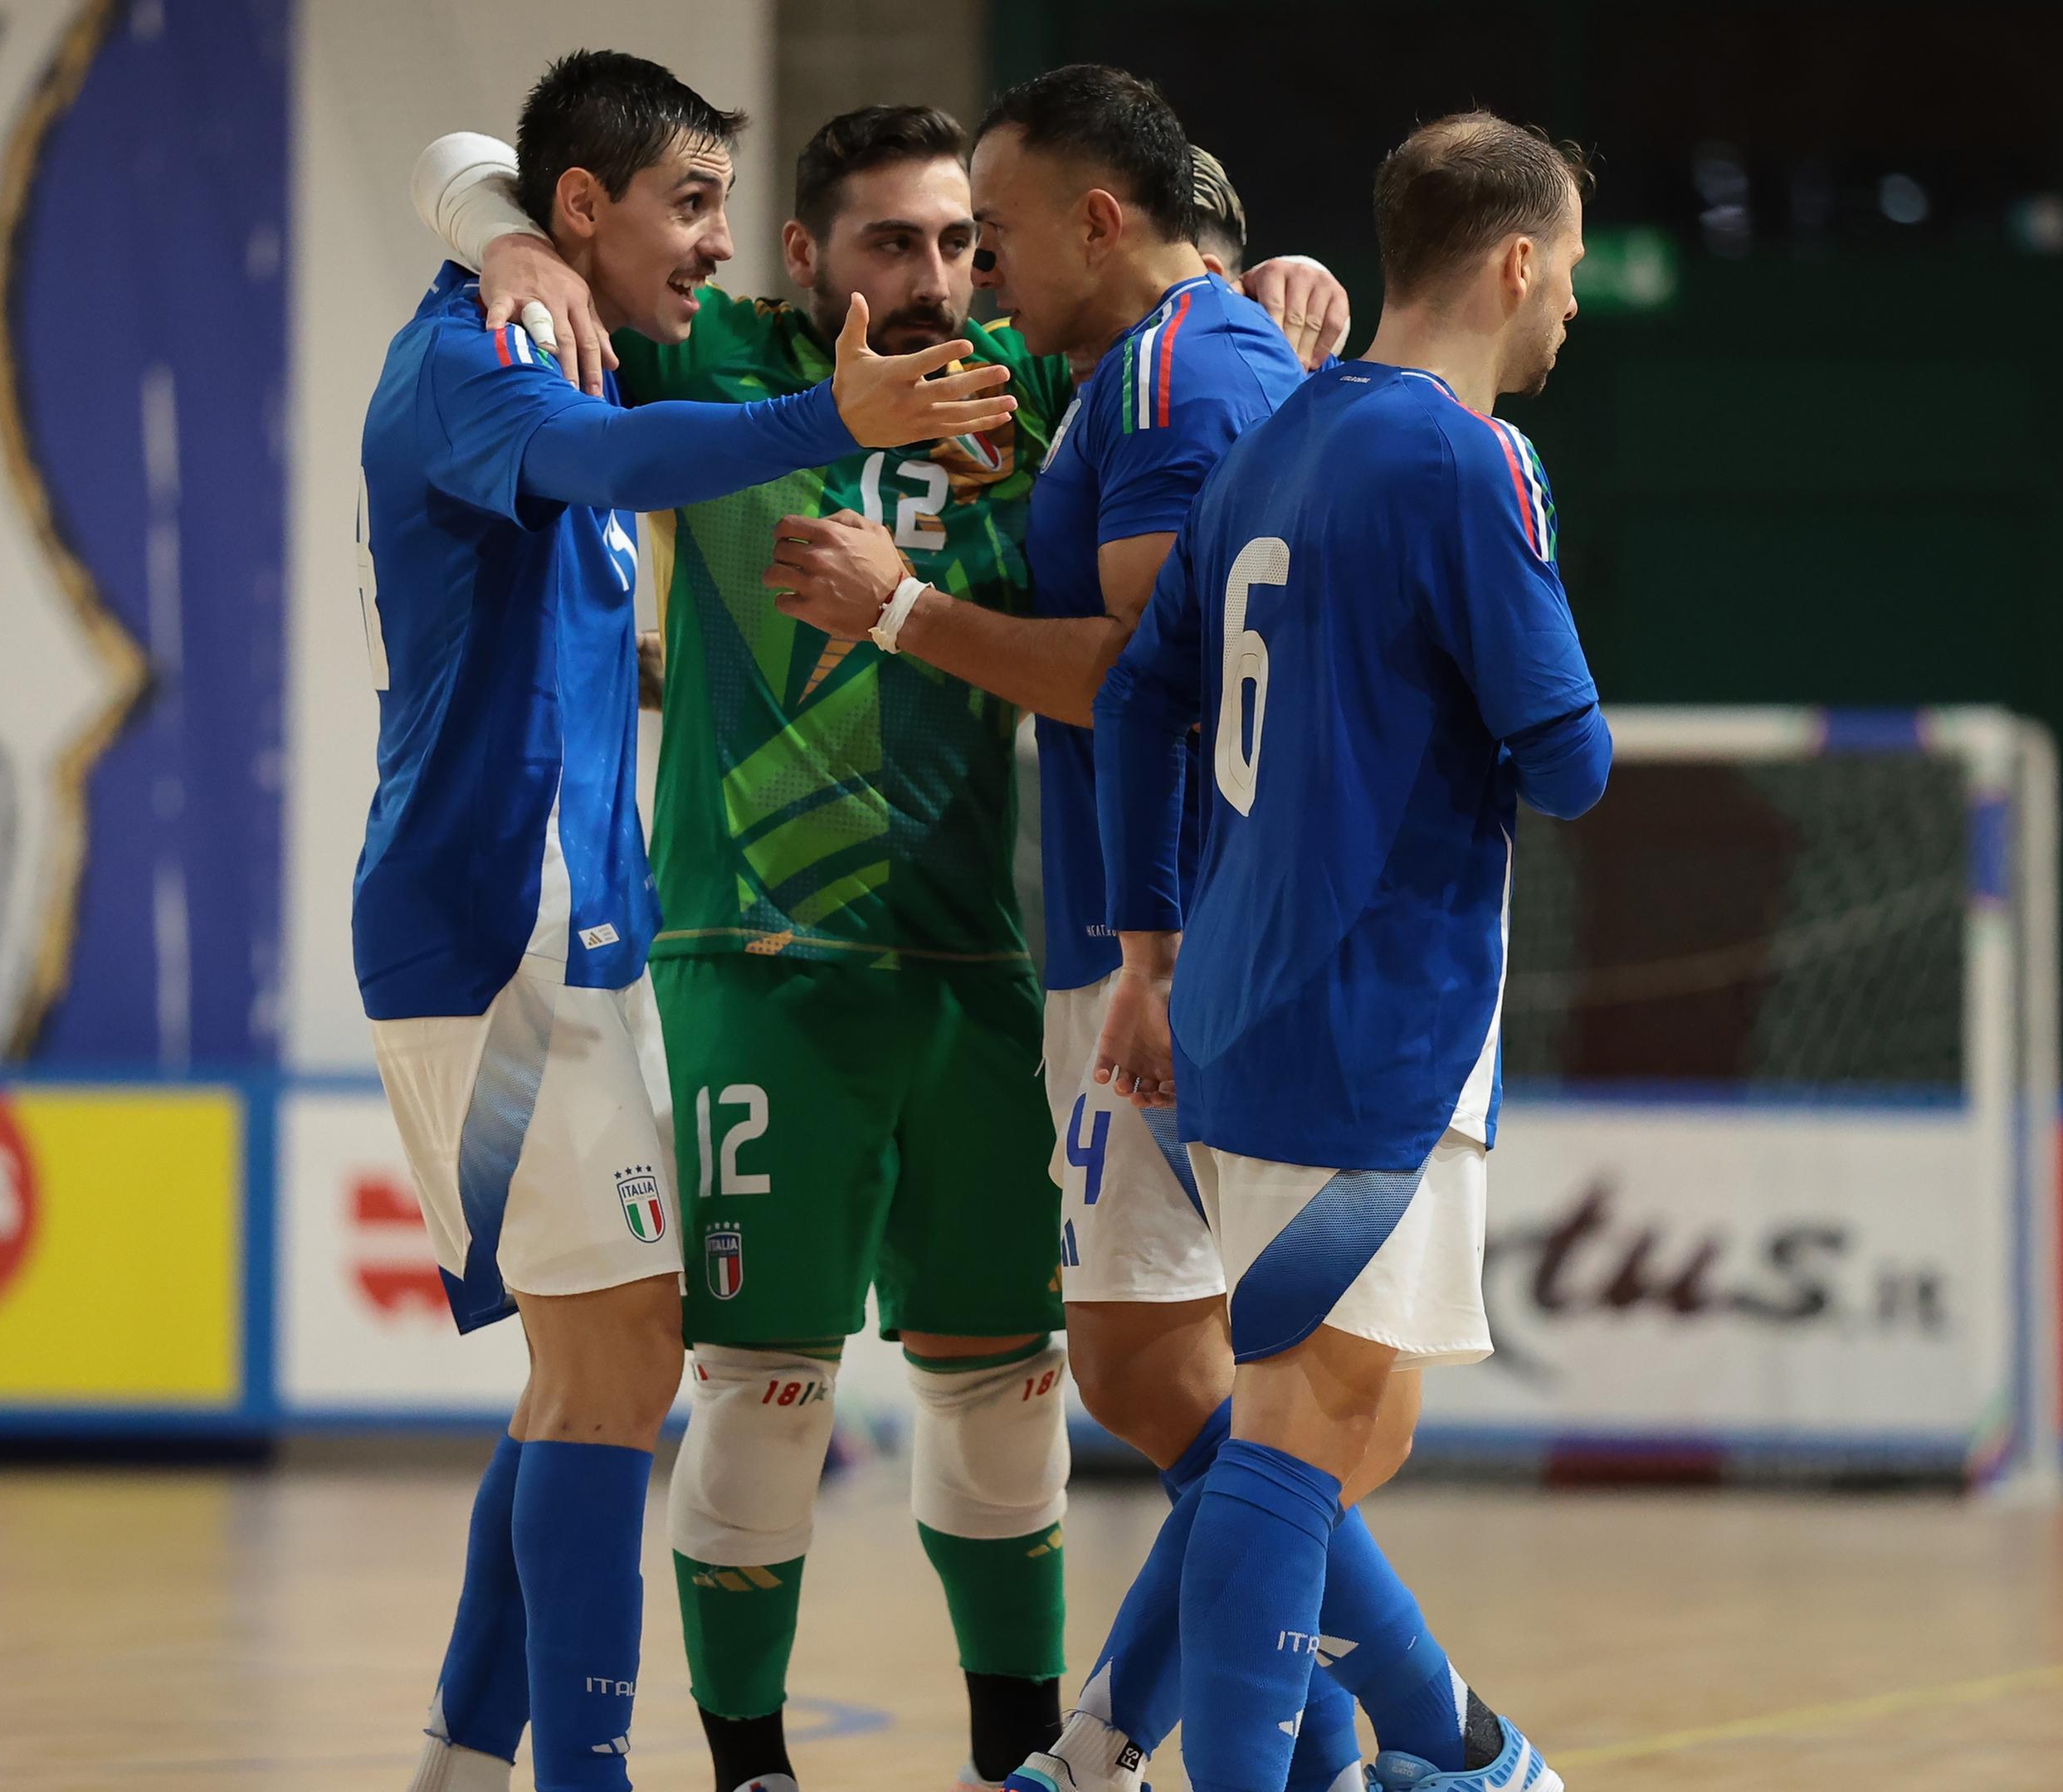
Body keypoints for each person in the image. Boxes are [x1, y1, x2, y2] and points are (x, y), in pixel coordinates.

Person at [401, 103, 1354, 1792]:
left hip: (980, 976)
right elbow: (495, 165)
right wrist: (505, 231)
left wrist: (1272, 262)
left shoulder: (1035, 388)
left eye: (958, 243)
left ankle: (1018, 1761)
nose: (934, 279)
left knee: (1008, 1399)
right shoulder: (717, 364)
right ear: (798, 260)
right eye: (890, 244)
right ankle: (745, 1765)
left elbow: (1162, 318)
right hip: (750, 968)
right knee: (751, 1394)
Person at [354, 50, 1013, 1792]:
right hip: (494, 927)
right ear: (588, 213)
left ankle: (464, 1759)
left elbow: (477, 159)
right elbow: (612, 452)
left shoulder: (531, 312)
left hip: (579, 930)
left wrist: (501, 224)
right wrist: (827, 425)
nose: (714, 247)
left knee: (587, 1368)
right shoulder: (477, 358)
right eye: (695, 205)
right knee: (624, 1359)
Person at [763, 62, 1409, 1792]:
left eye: (998, 235)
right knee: (1158, 1372)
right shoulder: (1135, 368)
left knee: (1275, 1406)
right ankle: (1291, 1745)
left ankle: (1389, 1737)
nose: (977, 277)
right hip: (1148, 939)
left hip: (1191, 945)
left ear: (1099, 221)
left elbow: (1151, 675)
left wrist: (899, 611)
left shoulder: (1186, 374)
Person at [1087, 113, 1609, 1792]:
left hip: (1246, 1000)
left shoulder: (1277, 436)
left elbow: (1139, 692)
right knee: (1303, 1442)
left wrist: (1152, 946)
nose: (1575, 310)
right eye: (1575, 269)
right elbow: (1569, 759)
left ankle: (1110, 1754)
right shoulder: (1464, 459)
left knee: (1322, 1431)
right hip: (1372, 1006)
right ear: (1514, 259)